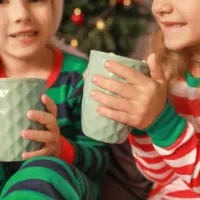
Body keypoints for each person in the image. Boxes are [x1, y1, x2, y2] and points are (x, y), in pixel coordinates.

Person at [89, 0, 200, 199]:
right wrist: (143, 122)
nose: (159, 7)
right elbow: (161, 175)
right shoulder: (174, 77)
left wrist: (163, 124)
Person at [0, 0, 110, 199]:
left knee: (45, 172)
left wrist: (61, 149)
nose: (21, 15)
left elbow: (100, 160)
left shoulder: (81, 78)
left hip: (60, 184)